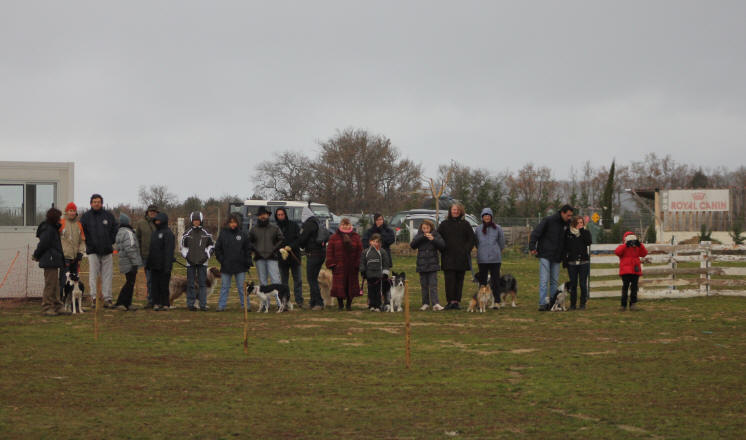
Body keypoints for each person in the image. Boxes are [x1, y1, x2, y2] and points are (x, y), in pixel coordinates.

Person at [529, 205, 574, 311]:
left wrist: (565, 256)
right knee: (544, 280)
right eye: (568, 215)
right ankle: (542, 303)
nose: (569, 217)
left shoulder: (567, 224)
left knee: (554, 281)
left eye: (571, 215)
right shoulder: (549, 220)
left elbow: (566, 241)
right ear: (562, 213)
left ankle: (553, 303)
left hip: (557, 256)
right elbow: (536, 233)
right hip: (545, 254)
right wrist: (532, 246)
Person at [80, 193, 117, 308]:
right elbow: (82, 232)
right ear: (91, 203)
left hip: (107, 250)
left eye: (99, 202)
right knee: (93, 275)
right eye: (94, 202)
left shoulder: (108, 216)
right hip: (93, 251)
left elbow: (114, 229)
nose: (97, 204)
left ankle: (107, 298)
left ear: (101, 203)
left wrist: (110, 241)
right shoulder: (86, 217)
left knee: (107, 275)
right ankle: (94, 297)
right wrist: (89, 243)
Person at [437, 203, 475, 310]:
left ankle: (457, 301)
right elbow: (438, 238)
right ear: (450, 211)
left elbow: (471, 239)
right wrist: (442, 248)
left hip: (461, 258)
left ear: (461, 211)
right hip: (448, 257)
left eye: (458, 210)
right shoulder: (444, 224)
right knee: (449, 281)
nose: (456, 211)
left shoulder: (465, 224)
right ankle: (450, 301)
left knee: (459, 280)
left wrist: (466, 250)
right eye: (454, 209)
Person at [33, 207, 68, 316]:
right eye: (59, 217)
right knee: (50, 284)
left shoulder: (52, 228)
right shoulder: (48, 229)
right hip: (49, 260)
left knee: (55, 284)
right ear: (55, 217)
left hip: (54, 259)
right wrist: (36, 255)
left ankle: (57, 305)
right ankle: (47, 306)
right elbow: (43, 244)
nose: (60, 219)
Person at [215, 214, 253, 311]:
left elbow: (248, 249)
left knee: (242, 287)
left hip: (240, 266)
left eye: (234, 222)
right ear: (228, 223)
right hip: (226, 265)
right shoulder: (223, 233)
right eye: (231, 222)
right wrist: (222, 260)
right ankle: (221, 306)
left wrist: (247, 260)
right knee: (224, 287)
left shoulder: (242, 234)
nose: (233, 224)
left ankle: (246, 305)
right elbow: (218, 249)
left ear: (237, 223)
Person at [180, 211, 215, 311]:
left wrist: (205, 257)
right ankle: (191, 304)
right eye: (194, 221)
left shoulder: (206, 233)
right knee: (190, 283)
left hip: (202, 263)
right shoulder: (186, 233)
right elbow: (182, 247)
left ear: (201, 221)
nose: (196, 222)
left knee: (202, 283)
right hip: (190, 263)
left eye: (198, 221)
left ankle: (202, 304)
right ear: (191, 221)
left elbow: (211, 246)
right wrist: (188, 258)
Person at [325, 218, 362, 310]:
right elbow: (330, 251)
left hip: (352, 267)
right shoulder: (334, 237)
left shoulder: (356, 237)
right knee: (339, 287)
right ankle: (340, 305)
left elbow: (359, 251)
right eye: (343, 224)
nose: (345, 226)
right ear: (340, 225)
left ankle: (348, 305)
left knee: (351, 286)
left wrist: (358, 263)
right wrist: (332, 264)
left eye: (347, 224)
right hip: (339, 266)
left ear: (350, 225)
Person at [362, 214, 396, 310]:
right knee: (372, 283)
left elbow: (390, 240)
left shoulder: (388, 230)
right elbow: (364, 242)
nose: (379, 221)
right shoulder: (370, 231)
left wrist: (381, 230)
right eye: (377, 219)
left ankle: (386, 301)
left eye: (381, 219)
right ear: (374, 220)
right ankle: (372, 302)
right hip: (372, 261)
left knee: (385, 282)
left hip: (384, 258)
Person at [410, 219, 445, 311]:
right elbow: (413, 245)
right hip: (422, 265)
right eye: (423, 228)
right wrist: (422, 237)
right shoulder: (419, 235)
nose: (425, 230)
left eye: (427, 228)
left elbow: (442, 246)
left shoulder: (436, 235)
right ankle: (425, 303)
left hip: (433, 265)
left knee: (433, 285)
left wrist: (433, 239)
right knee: (424, 285)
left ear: (431, 228)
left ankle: (435, 303)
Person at [474, 207, 505, 309]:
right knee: (482, 281)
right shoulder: (478, 229)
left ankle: (496, 301)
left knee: (495, 281)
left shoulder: (498, 228)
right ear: (482, 217)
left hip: (495, 259)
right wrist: (482, 250)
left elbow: (501, 242)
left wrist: (496, 250)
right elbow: (477, 243)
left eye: (488, 215)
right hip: (482, 259)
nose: (487, 217)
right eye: (485, 216)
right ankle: (482, 301)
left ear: (491, 217)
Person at [299, 206, 327, 310]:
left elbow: (302, 239)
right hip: (321, 253)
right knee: (313, 279)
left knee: (312, 279)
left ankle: (318, 303)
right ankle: (313, 302)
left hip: (313, 254)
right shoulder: (317, 222)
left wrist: (300, 243)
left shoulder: (308, 224)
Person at [275, 207, 303, 308]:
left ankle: (299, 301)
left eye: (282, 214)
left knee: (298, 280)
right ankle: (285, 301)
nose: (280, 216)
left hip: (294, 256)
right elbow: (274, 242)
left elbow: (299, 239)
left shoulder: (294, 225)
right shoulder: (275, 227)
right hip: (282, 258)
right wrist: (280, 249)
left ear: (285, 215)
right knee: (284, 282)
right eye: (278, 215)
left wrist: (291, 246)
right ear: (276, 216)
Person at [249, 206, 284, 287]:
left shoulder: (275, 228)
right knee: (262, 282)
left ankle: (279, 300)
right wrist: (256, 249)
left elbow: (281, 239)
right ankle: (264, 300)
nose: (263, 216)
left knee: (276, 281)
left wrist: (273, 249)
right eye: (260, 214)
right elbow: (249, 241)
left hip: (272, 258)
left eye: (264, 214)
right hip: (259, 258)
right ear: (258, 216)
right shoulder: (253, 229)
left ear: (268, 215)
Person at [113, 213, 142, 311]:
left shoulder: (119, 232)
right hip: (130, 262)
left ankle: (125, 303)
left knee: (129, 282)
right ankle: (122, 303)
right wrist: (135, 263)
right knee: (130, 283)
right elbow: (131, 248)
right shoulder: (128, 233)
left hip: (124, 261)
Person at [146, 212, 174, 311]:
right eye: (156, 221)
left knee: (164, 285)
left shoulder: (168, 233)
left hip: (164, 265)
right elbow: (152, 249)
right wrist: (149, 263)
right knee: (154, 285)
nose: (157, 222)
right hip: (154, 264)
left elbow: (169, 251)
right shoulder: (154, 233)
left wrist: (168, 265)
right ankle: (156, 303)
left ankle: (165, 304)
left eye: (158, 220)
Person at [563, 215, 592, 310]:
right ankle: (572, 304)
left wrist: (582, 230)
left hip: (584, 262)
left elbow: (588, 242)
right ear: (574, 223)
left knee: (583, 284)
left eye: (582, 223)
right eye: (578, 223)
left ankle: (583, 304)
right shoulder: (568, 233)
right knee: (573, 284)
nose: (580, 224)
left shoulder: (585, 232)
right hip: (572, 263)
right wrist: (565, 260)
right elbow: (565, 247)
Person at [58, 202, 86, 299]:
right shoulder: (61, 223)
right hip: (64, 257)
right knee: (64, 280)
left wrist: (80, 253)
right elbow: (56, 239)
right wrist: (60, 253)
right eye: (70, 210)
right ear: (66, 211)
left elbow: (82, 240)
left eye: (74, 211)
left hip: (75, 258)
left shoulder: (79, 225)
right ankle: (62, 300)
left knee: (75, 281)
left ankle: (73, 301)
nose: (72, 213)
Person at [615, 231, 648, 311]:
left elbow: (644, 253)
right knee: (625, 287)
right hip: (626, 271)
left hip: (635, 270)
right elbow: (617, 252)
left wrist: (639, 244)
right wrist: (626, 245)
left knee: (634, 288)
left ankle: (633, 304)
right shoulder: (623, 246)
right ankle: (623, 305)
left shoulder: (637, 247)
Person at [360, 233, 392, 311]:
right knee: (370, 291)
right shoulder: (365, 252)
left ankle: (378, 305)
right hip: (369, 275)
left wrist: (385, 273)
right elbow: (362, 262)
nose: (375, 243)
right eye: (374, 241)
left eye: (377, 241)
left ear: (380, 243)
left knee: (378, 291)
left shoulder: (382, 252)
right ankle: (371, 305)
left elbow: (386, 263)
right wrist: (363, 271)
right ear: (370, 242)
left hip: (379, 276)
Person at [135, 204, 158, 309]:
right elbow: (137, 239)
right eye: (151, 211)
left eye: (154, 211)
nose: (152, 213)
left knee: (158, 279)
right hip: (146, 256)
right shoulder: (141, 223)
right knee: (149, 279)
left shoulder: (159, 222)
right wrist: (138, 253)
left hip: (158, 256)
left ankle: (159, 299)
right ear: (147, 212)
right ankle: (150, 300)